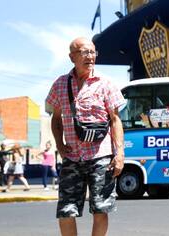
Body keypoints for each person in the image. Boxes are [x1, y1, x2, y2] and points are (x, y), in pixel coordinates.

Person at [45, 37, 125, 236]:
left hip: (101, 156)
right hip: (72, 157)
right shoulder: (60, 84)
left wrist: (120, 153)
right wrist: (60, 145)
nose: (90, 56)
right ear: (72, 57)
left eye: (93, 52)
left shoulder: (105, 83)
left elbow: (115, 120)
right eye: (84, 52)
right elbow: (56, 119)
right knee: (66, 211)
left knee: (100, 209)